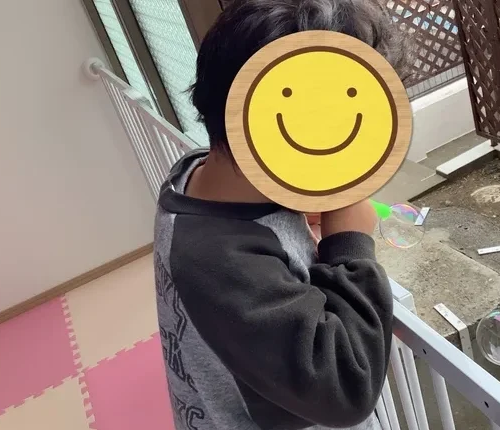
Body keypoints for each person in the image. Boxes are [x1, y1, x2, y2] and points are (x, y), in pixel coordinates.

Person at [154, 0, 411, 428]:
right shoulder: (218, 262)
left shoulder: (198, 174)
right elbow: (347, 389)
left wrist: (295, 202)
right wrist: (348, 242)